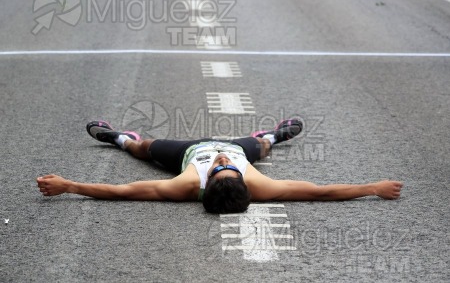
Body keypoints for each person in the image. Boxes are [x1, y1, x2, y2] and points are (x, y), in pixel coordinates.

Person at [36, 119, 403, 213]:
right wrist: (373, 188)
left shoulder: (183, 185)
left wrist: (69, 185)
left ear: (205, 182)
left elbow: (121, 193)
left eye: (219, 167)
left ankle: (119, 138)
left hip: (189, 150)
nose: (223, 162)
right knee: (258, 147)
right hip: (236, 143)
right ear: (245, 184)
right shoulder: (260, 186)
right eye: (227, 167)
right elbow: (321, 193)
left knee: (142, 149)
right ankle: (272, 137)